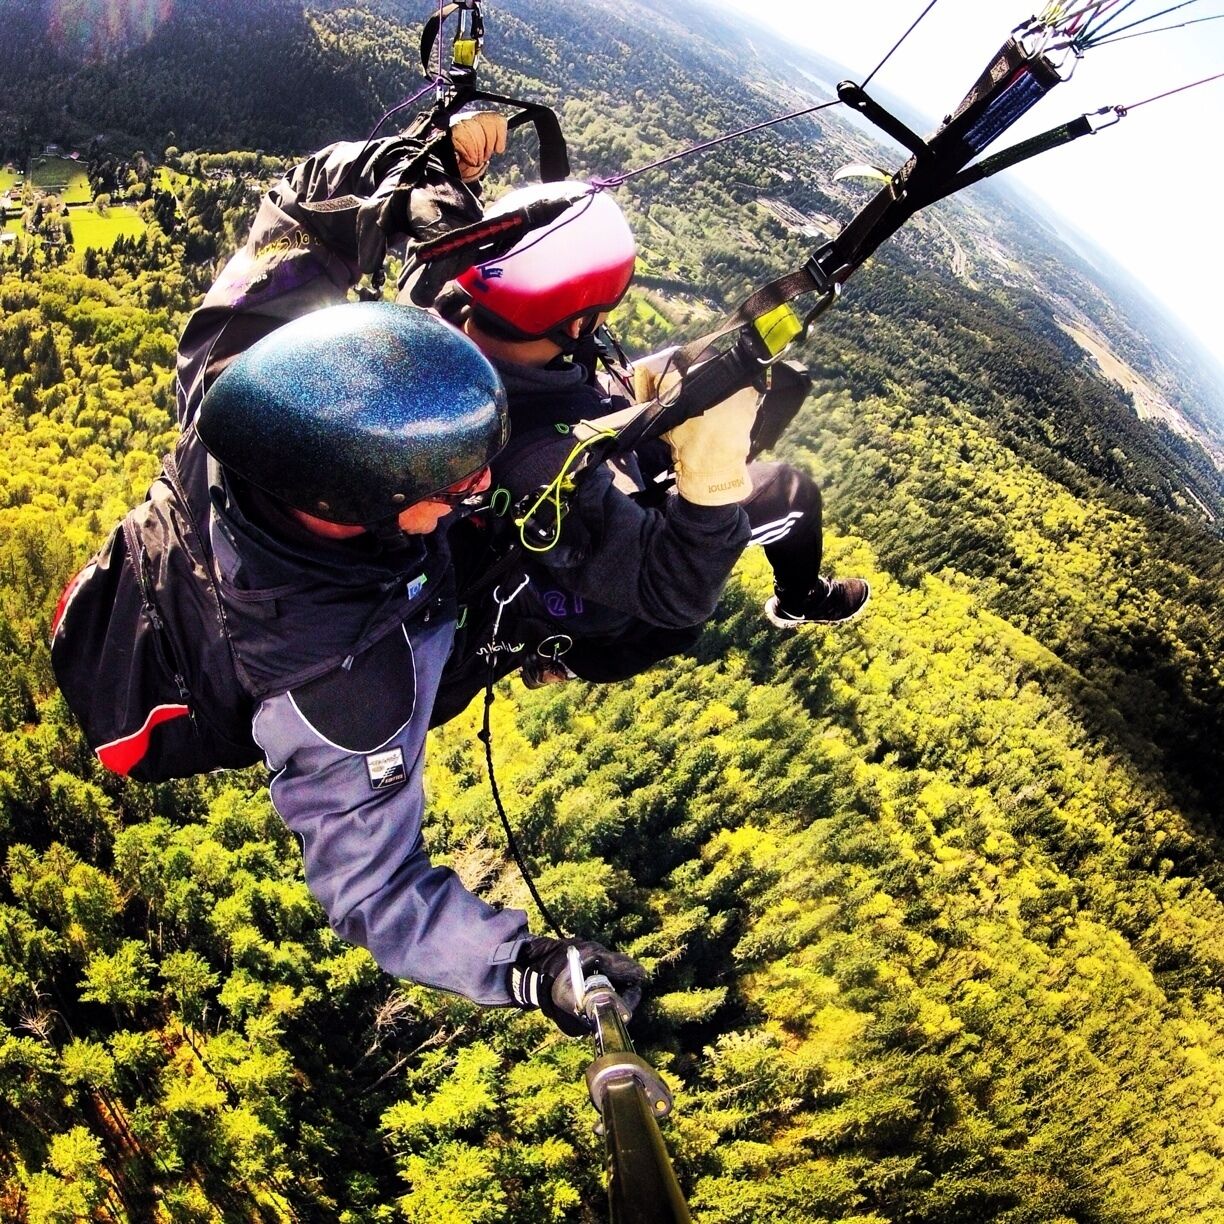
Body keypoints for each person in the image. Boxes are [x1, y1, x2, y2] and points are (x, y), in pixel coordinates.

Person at [171, 118, 649, 1034]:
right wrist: (530, 968)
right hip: (351, 628)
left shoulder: (240, 382)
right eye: (449, 480)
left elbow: (299, 209)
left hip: (303, 573)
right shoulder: (350, 693)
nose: (477, 483)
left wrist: (404, 175)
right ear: (363, 504)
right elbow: (379, 893)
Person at [423, 179, 870, 718]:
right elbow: (675, 595)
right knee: (790, 495)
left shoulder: (441, 314)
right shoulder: (544, 473)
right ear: (580, 322)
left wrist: (633, 394)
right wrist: (710, 485)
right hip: (582, 593)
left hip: (561, 476)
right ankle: (800, 600)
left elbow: (555, 397)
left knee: (759, 392)